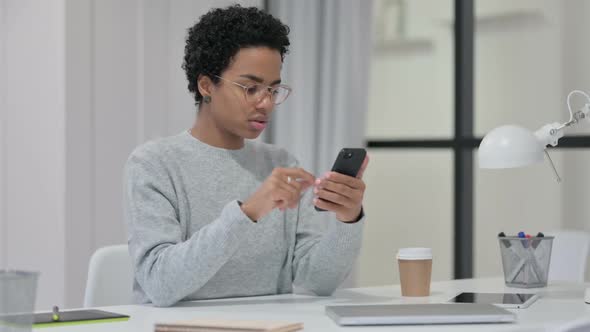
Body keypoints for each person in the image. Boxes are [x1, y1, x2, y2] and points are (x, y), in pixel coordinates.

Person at [124, 5, 369, 307]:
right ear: (206, 85)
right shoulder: (153, 163)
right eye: (250, 88)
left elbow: (317, 281)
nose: (265, 103)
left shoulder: (281, 163)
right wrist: (248, 211)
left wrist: (347, 219)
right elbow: (160, 284)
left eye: (273, 90)